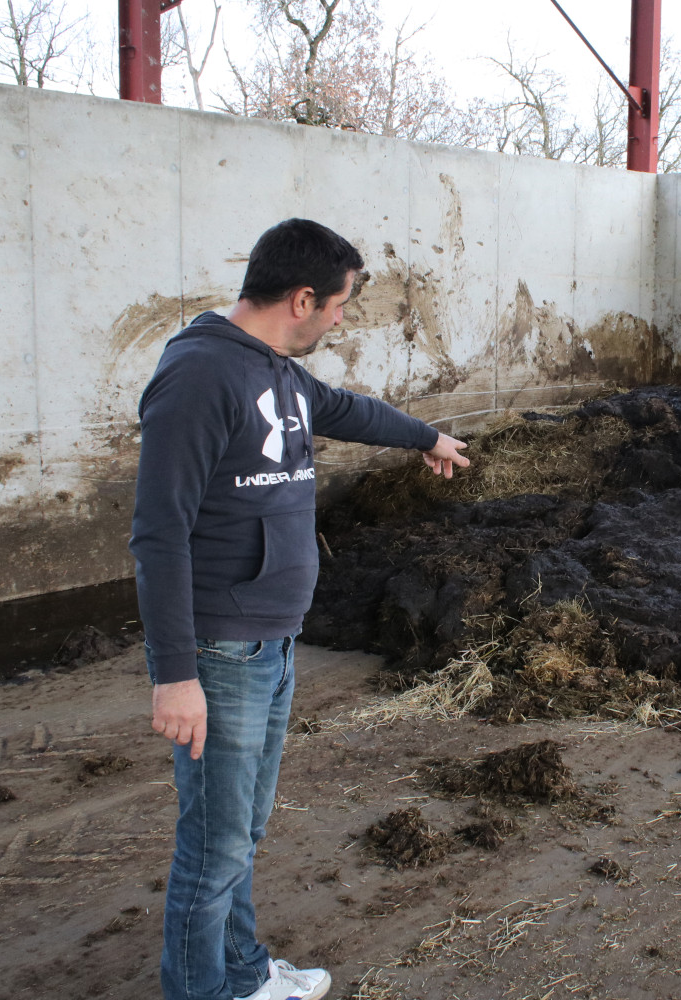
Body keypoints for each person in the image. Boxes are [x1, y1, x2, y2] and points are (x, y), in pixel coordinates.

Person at [130, 218, 469, 1000]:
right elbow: (158, 536)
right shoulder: (200, 376)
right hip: (220, 651)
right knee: (213, 847)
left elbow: (345, 410)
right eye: (341, 306)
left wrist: (428, 437)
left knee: (240, 833)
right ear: (303, 297)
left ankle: (242, 974)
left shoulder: (274, 369)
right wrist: (173, 674)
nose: (342, 319)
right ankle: (201, 991)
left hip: (270, 645)